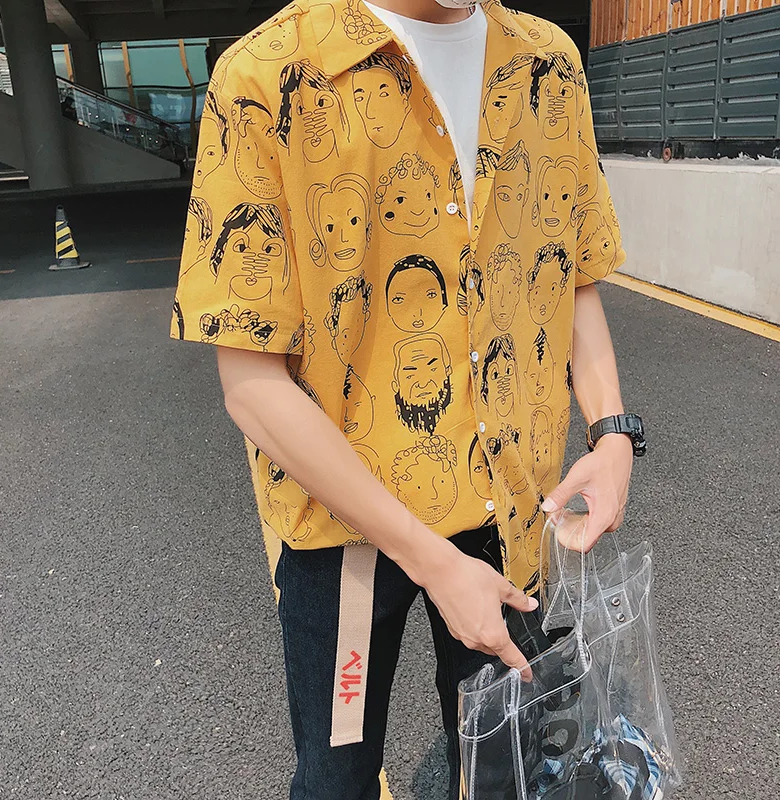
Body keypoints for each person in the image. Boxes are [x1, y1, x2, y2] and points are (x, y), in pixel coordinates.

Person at [171, 1, 638, 798]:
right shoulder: (267, 75)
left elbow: (570, 271)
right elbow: (251, 383)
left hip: (506, 507)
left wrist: (612, 431)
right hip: (345, 529)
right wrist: (433, 562)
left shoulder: (549, 64)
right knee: (337, 776)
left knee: (505, 773)